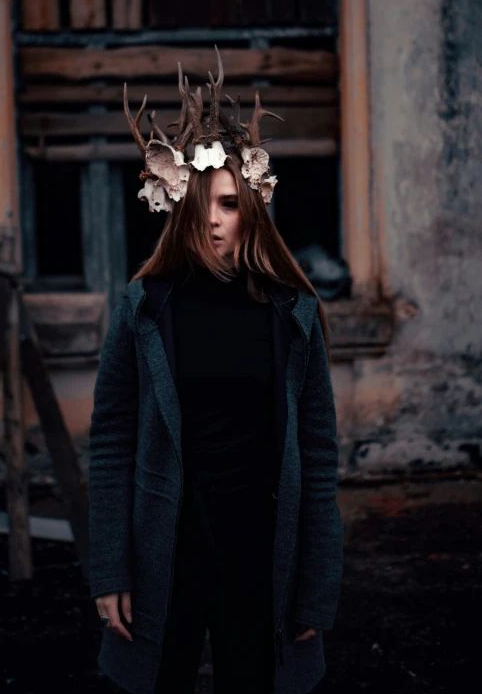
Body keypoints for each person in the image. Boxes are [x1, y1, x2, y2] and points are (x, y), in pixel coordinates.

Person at [88, 48, 344, 694]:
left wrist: (316, 585)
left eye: (229, 203)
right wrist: (110, 568)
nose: (213, 218)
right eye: (202, 201)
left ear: (251, 208)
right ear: (176, 204)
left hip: (260, 547)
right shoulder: (145, 306)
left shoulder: (293, 313)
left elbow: (317, 455)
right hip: (165, 548)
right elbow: (112, 441)